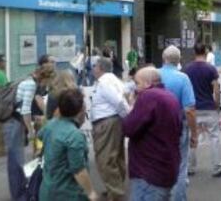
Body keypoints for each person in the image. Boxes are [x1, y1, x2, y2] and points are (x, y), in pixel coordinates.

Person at [123, 67, 182, 201]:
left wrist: (132, 106)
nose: (135, 88)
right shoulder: (170, 96)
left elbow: (128, 128)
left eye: (137, 83)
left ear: (147, 83)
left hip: (149, 172)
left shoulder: (148, 97)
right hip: (166, 167)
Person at [4, 64, 55, 200]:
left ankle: (20, 192)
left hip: (13, 122)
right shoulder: (31, 85)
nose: (47, 86)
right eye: (48, 82)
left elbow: (20, 105)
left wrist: (34, 119)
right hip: (14, 124)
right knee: (16, 162)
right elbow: (24, 110)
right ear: (45, 78)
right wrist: (32, 132)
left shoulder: (27, 80)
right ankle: (18, 195)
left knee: (16, 161)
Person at [39, 89, 99, 201]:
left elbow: (40, 135)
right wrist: (91, 193)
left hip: (47, 189)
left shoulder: (51, 125)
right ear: (81, 111)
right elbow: (78, 170)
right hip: (67, 193)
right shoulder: (75, 136)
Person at [159, 45, 197, 201]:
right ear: (179, 60)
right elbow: (189, 109)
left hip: (155, 129)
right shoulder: (183, 78)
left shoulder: (153, 75)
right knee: (180, 168)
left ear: (163, 58)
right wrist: (194, 133)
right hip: (178, 127)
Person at [185, 43, 221, 177]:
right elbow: (216, 89)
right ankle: (217, 167)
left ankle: (190, 168)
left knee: (192, 137)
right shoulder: (211, 69)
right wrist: (217, 104)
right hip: (209, 107)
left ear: (194, 52)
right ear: (205, 52)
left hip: (193, 108)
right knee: (214, 137)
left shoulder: (187, 69)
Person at [90, 58, 130, 201]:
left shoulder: (104, 82)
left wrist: (127, 116)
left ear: (100, 68)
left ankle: (116, 192)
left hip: (106, 122)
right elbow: (124, 97)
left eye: (95, 66)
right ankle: (115, 188)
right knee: (116, 157)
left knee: (105, 159)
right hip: (114, 121)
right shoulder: (115, 80)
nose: (93, 69)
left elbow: (119, 101)